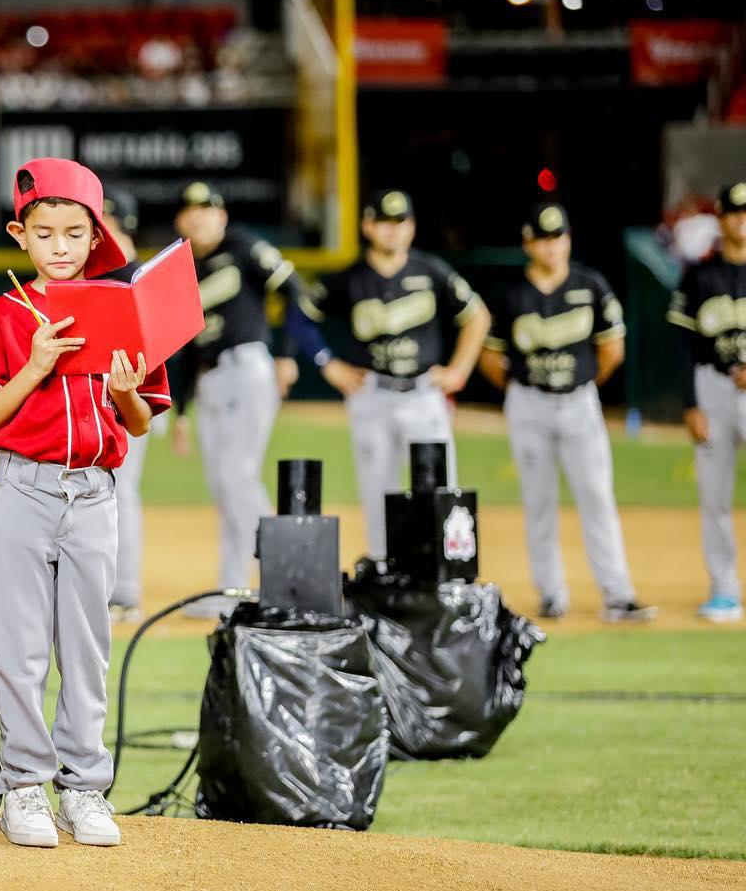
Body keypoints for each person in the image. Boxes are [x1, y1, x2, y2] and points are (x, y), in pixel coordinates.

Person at [0, 157, 171, 849]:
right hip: (25, 488)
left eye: (74, 233)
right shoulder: (4, 316)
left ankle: (84, 790)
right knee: (18, 650)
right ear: (21, 235)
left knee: (87, 647)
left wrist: (125, 393)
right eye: (44, 233)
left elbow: (139, 426)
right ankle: (24, 787)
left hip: (95, 494)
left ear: (95, 235)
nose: (59, 246)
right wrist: (36, 365)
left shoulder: (125, 309)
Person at [478, 202, 654, 623]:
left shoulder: (590, 285)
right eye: (542, 238)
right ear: (528, 243)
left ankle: (618, 594)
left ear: (568, 240)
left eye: (557, 237)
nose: (551, 246)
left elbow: (612, 350)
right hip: (529, 402)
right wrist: (521, 387)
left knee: (596, 495)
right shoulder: (510, 294)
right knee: (538, 500)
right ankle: (551, 593)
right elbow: (489, 357)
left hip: (578, 401)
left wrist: (584, 381)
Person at [293, 189, 491, 559]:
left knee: (438, 488)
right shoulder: (349, 278)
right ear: (368, 226)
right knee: (377, 491)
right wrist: (327, 362)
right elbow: (300, 316)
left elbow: (477, 315)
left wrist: (460, 369)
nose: (392, 231)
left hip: (423, 393)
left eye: (400, 223)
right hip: (373, 394)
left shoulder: (431, 271)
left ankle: (439, 574)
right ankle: (386, 570)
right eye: (384, 222)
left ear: (412, 228)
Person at [170, 181, 306, 614]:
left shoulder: (244, 247)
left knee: (238, 477)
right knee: (223, 486)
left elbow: (297, 292)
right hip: (210, 382)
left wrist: (286, 355)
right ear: (181, 221)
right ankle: (231, 590)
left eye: (207, 210)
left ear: (222, 217)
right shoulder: (182, 269)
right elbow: (187, 348)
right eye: (191, 211)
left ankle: (291, 576)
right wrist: (182, 411)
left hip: (247, 368)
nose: (199, 217)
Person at [667, 180, 746, 623]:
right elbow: (682, 345)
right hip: (713, 387)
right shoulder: (699, 275)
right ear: (721, 218)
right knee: (715, 496)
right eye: (734, 212)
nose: (742, 220)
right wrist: (690, 404)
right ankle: (724, 589)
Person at [98, 185, 159, 624]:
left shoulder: (141, 277)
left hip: (128, 396)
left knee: (121, 491)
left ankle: (125, 590)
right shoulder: (98, 276)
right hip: (94, 397)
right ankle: (106, 587)